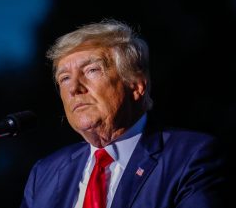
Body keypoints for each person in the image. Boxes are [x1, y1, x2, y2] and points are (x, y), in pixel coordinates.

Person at [20, 19, 226, 208]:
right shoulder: (44, 174)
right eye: (64, 78)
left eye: (92, 70)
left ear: (136, 86)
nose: (74, 88)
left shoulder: (190, 156)